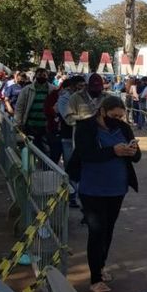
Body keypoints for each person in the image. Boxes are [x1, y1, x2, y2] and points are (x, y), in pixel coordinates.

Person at [67, 96, 141, 292]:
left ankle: (100, 266)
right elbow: (87, 154)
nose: (117, 119)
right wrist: (113, 151)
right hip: (93, 189)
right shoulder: (86, 127)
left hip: (117, 188)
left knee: (108, 230)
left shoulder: (123, 128)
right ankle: (95, 280)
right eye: (113, 115)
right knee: (96, 231)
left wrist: (131, 151)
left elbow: (137, 156)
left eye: (120, 116)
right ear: (102, 111)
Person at [58, 75, 86, 208]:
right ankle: (72, 195)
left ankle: (83, 197)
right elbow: (68, 119)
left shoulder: (86, 98)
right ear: (72, 86)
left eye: (84, 86)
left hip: (84, 138)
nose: (82, 89)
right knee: (71, 167)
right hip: (68, 138)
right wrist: (86, 118)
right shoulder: (64, 99)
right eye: (79, 87)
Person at [15, 68, 56, 155]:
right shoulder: (27, 90)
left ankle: (43, 166)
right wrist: (18, 122)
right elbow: (19, 107)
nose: (42, 77)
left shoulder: (52, 89)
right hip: (31, 124)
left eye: (44, 75)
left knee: (46, 148)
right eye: (39, 75)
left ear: (47, 77)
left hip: (46, 125)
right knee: (32, 147)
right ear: (35, 76)